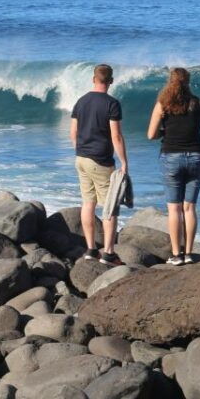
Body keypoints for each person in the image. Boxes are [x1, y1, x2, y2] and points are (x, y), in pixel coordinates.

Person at [147, 67, 200, 265]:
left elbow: (151, 135)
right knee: (190, 208)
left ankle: (176, 255)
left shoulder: (163, 104)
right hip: (195, 156)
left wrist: (164, 131)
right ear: (188, 82)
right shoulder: (197, 102)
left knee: (174, 209)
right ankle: (188, 253)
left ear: (170, 82)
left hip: (171, 157)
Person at [71, 63, 129, 265]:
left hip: (81, 158)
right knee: (110, 208)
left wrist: (80, 151)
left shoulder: (81, 101)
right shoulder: (112, 104)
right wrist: (124, 162)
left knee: (88, 203)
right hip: (101, 161)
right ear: (111, 81)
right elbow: (116, 136)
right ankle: (109, 253)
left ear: (93, 79)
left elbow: (73, 133)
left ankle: (90, 249)